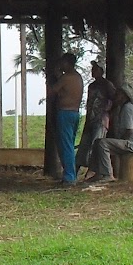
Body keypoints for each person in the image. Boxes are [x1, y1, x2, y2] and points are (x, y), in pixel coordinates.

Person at [88, 84, 133, 181]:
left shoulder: (127, 108)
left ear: (123, 96)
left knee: (103, 143)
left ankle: (107, 174)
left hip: (132, 144)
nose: (115, 96)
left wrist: (118, 141)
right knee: (98, 142)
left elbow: (129, 131)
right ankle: (97, 172)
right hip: (128, 142)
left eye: (118, 94)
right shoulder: (123, 108)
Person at [46, 53, 83, 186]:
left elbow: (52, 91)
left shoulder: (66, 78)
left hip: (65, 113)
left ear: (67, 63)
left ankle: (69, 177)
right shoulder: (78, 77)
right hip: (75, 113)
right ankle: (70, 174)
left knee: (66, 146)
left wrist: (55, 76)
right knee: (69, 145)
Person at [76, 60, 114, 175]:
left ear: (101, 71)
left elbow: (113, 99)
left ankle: (93, 172)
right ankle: (75, 171)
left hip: (100, 119)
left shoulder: (107, 85)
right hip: (91, 119)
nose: (93, 72)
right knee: (84, 146)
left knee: (96, 145)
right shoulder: (91, 86)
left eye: (95, 69)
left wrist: (107, 110)